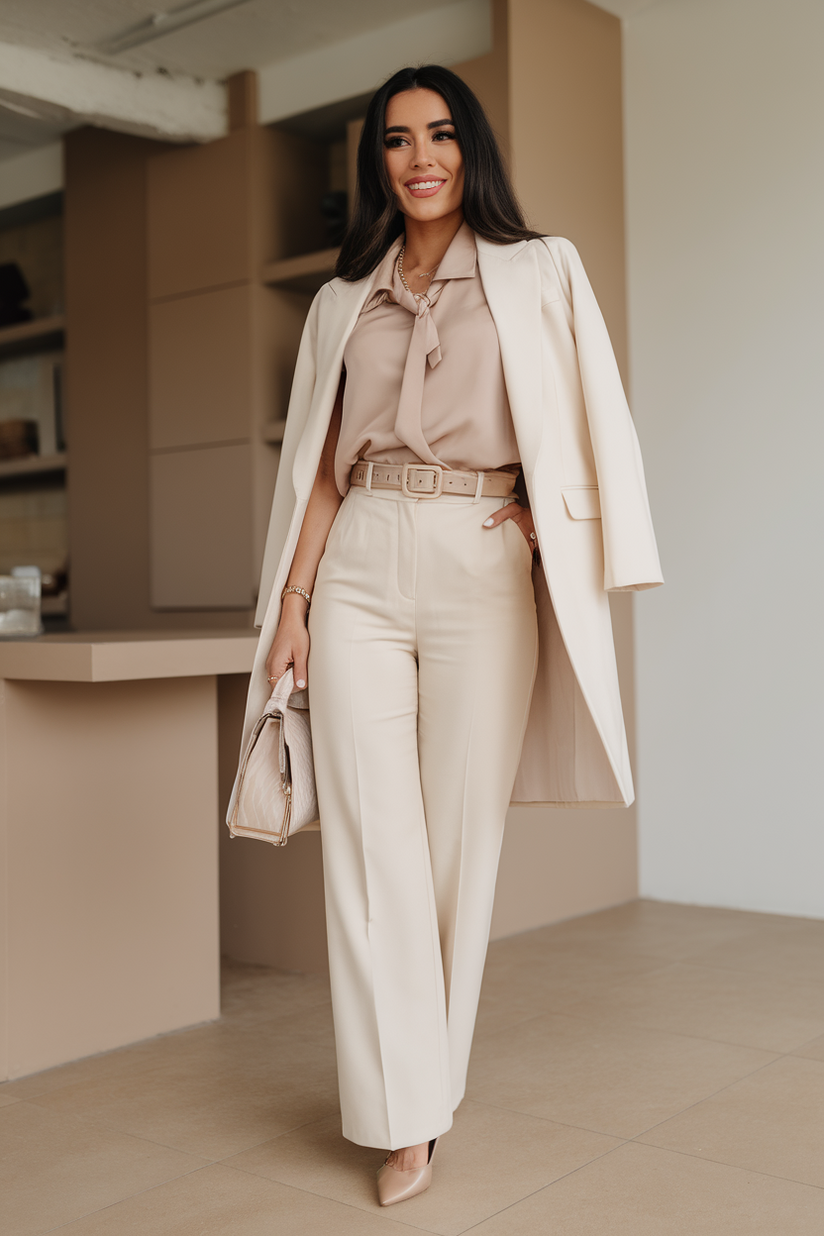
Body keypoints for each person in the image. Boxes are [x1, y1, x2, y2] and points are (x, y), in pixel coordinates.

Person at [227, 64, 663, 1207]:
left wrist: (547, 517)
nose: (418, 158)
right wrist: (292, 605)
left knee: (452, 853)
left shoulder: (538, 269)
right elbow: (319, 468)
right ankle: (400, 1117)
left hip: (479, 556)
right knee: (367, 846)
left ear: (469, 147)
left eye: (437, 136)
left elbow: (591, 413)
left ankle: (429, 1084)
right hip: (362, 554)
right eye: (394, 141)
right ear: (375, 163)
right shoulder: (341, 300)